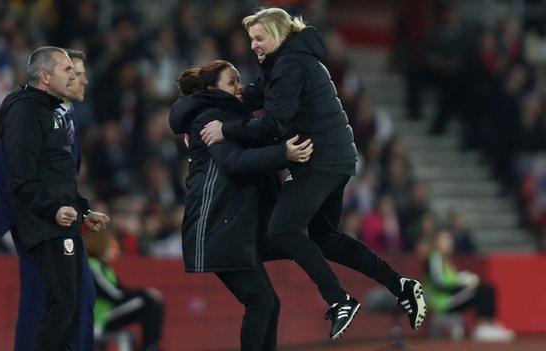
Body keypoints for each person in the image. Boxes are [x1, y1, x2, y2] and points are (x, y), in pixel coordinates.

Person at [200, 8, 427, 339]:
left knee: (282, 230)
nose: (253, 45)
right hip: (336, 157)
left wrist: (225, 129)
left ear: (278, 35)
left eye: (259, 38)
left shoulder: (289, 64)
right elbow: (259, 94)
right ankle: (401, 286)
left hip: (318, 159)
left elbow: (274, 122)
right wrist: (219, 99)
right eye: (251, 39)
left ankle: (339, 300)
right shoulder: (291, 58)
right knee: (326, 238)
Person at [170, 60, 313, 351]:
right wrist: (283, 154)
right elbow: (232, 163)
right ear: (212, 89)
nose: (240, 87)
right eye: (231, 82)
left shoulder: (226, 118)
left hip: (229, 223)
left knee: (267, 302)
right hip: (215, 224)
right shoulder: (208, 118)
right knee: (261, 301)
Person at [0, 46, 110, 350]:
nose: (74, 76)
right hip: (46, 225)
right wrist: (51, 210)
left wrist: (84, 211)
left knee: (70, 307)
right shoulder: (25, 112)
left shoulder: (52, 111)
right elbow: (21, 176)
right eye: (68, 71)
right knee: (60, 307)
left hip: (63, 222)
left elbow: (58, 180)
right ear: (46, 77)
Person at [424, 229, 515, 342]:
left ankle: (490, 324)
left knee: (487, 287)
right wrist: (462, 283)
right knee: (481, 290)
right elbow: (439, 284)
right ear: (436, 242)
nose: (449, 242)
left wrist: (462, 279)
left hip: (451, 298)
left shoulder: (445, 260)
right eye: (445, 239)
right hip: (443, 303)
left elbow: (450, 280)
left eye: (449, 239)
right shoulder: (435, 258)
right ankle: (483, 327)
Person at [86, 230, 164, 351]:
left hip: (110, 313)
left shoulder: (105, 268)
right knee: (149, 300)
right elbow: (114, 295)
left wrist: (144, 292)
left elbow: (122, 291)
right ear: (100, 245)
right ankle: (150, 347)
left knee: (152, 300)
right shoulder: (92, 266)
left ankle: (150, 345)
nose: (115, 251)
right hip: (99, 318)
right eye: (112, 247)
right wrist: (145, 293)